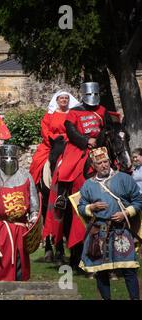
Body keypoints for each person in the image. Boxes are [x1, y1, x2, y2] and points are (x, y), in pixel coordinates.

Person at [49, 82, 113, 268]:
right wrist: (86, 141)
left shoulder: (102, 110)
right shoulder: (74, 111)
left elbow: (108, 129)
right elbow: (71, 131)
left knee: (114, 165)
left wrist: (99, 139)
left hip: (100, 147)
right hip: (79, 148)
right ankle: (62, 196)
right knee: (65, 169)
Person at [78, 147, 142, 300]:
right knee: (101, 271)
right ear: (94, 166)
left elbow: (138, 201)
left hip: (121, 232)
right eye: (99, 163)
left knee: (129, 269)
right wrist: (91, 208)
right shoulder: (88, 185)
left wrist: (125, 213)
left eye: (106, 161)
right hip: (99, 233)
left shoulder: (124, 179)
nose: (104, 165)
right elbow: (81, 207)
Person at [0, 145, 39, 281]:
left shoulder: (25, 176)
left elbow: (34, 203)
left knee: (19, 264)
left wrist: (34, 217)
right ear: (0, 159)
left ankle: (19, 289)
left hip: (20, 229)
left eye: (11, 158)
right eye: (6, 158)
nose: (9, 161)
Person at [28, 91, 79, 264]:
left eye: (66, 98)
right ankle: (37, 188)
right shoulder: (49, 115)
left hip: (70, 144)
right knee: (37, 163)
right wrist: (54, 139)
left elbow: (76, 130)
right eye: (61, 99)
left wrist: (68, 138)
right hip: (52, 144)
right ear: (57, 100)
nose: (64, 101)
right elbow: (45, 130)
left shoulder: (73, 114)